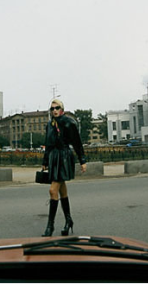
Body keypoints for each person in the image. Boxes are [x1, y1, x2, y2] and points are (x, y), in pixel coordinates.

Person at [41, 99, 87, 237]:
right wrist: (45, 161)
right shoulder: (50, 124)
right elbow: (47, 143)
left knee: (52, 190)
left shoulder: (69, 122)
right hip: (54, 158)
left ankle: (50, 226)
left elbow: (77, 142)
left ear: (62, 109)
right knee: (62, 191)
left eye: (57, 108)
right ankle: (68, 221)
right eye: (52, 108)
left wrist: (82, 160)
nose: (54, 110)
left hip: (65, 157)